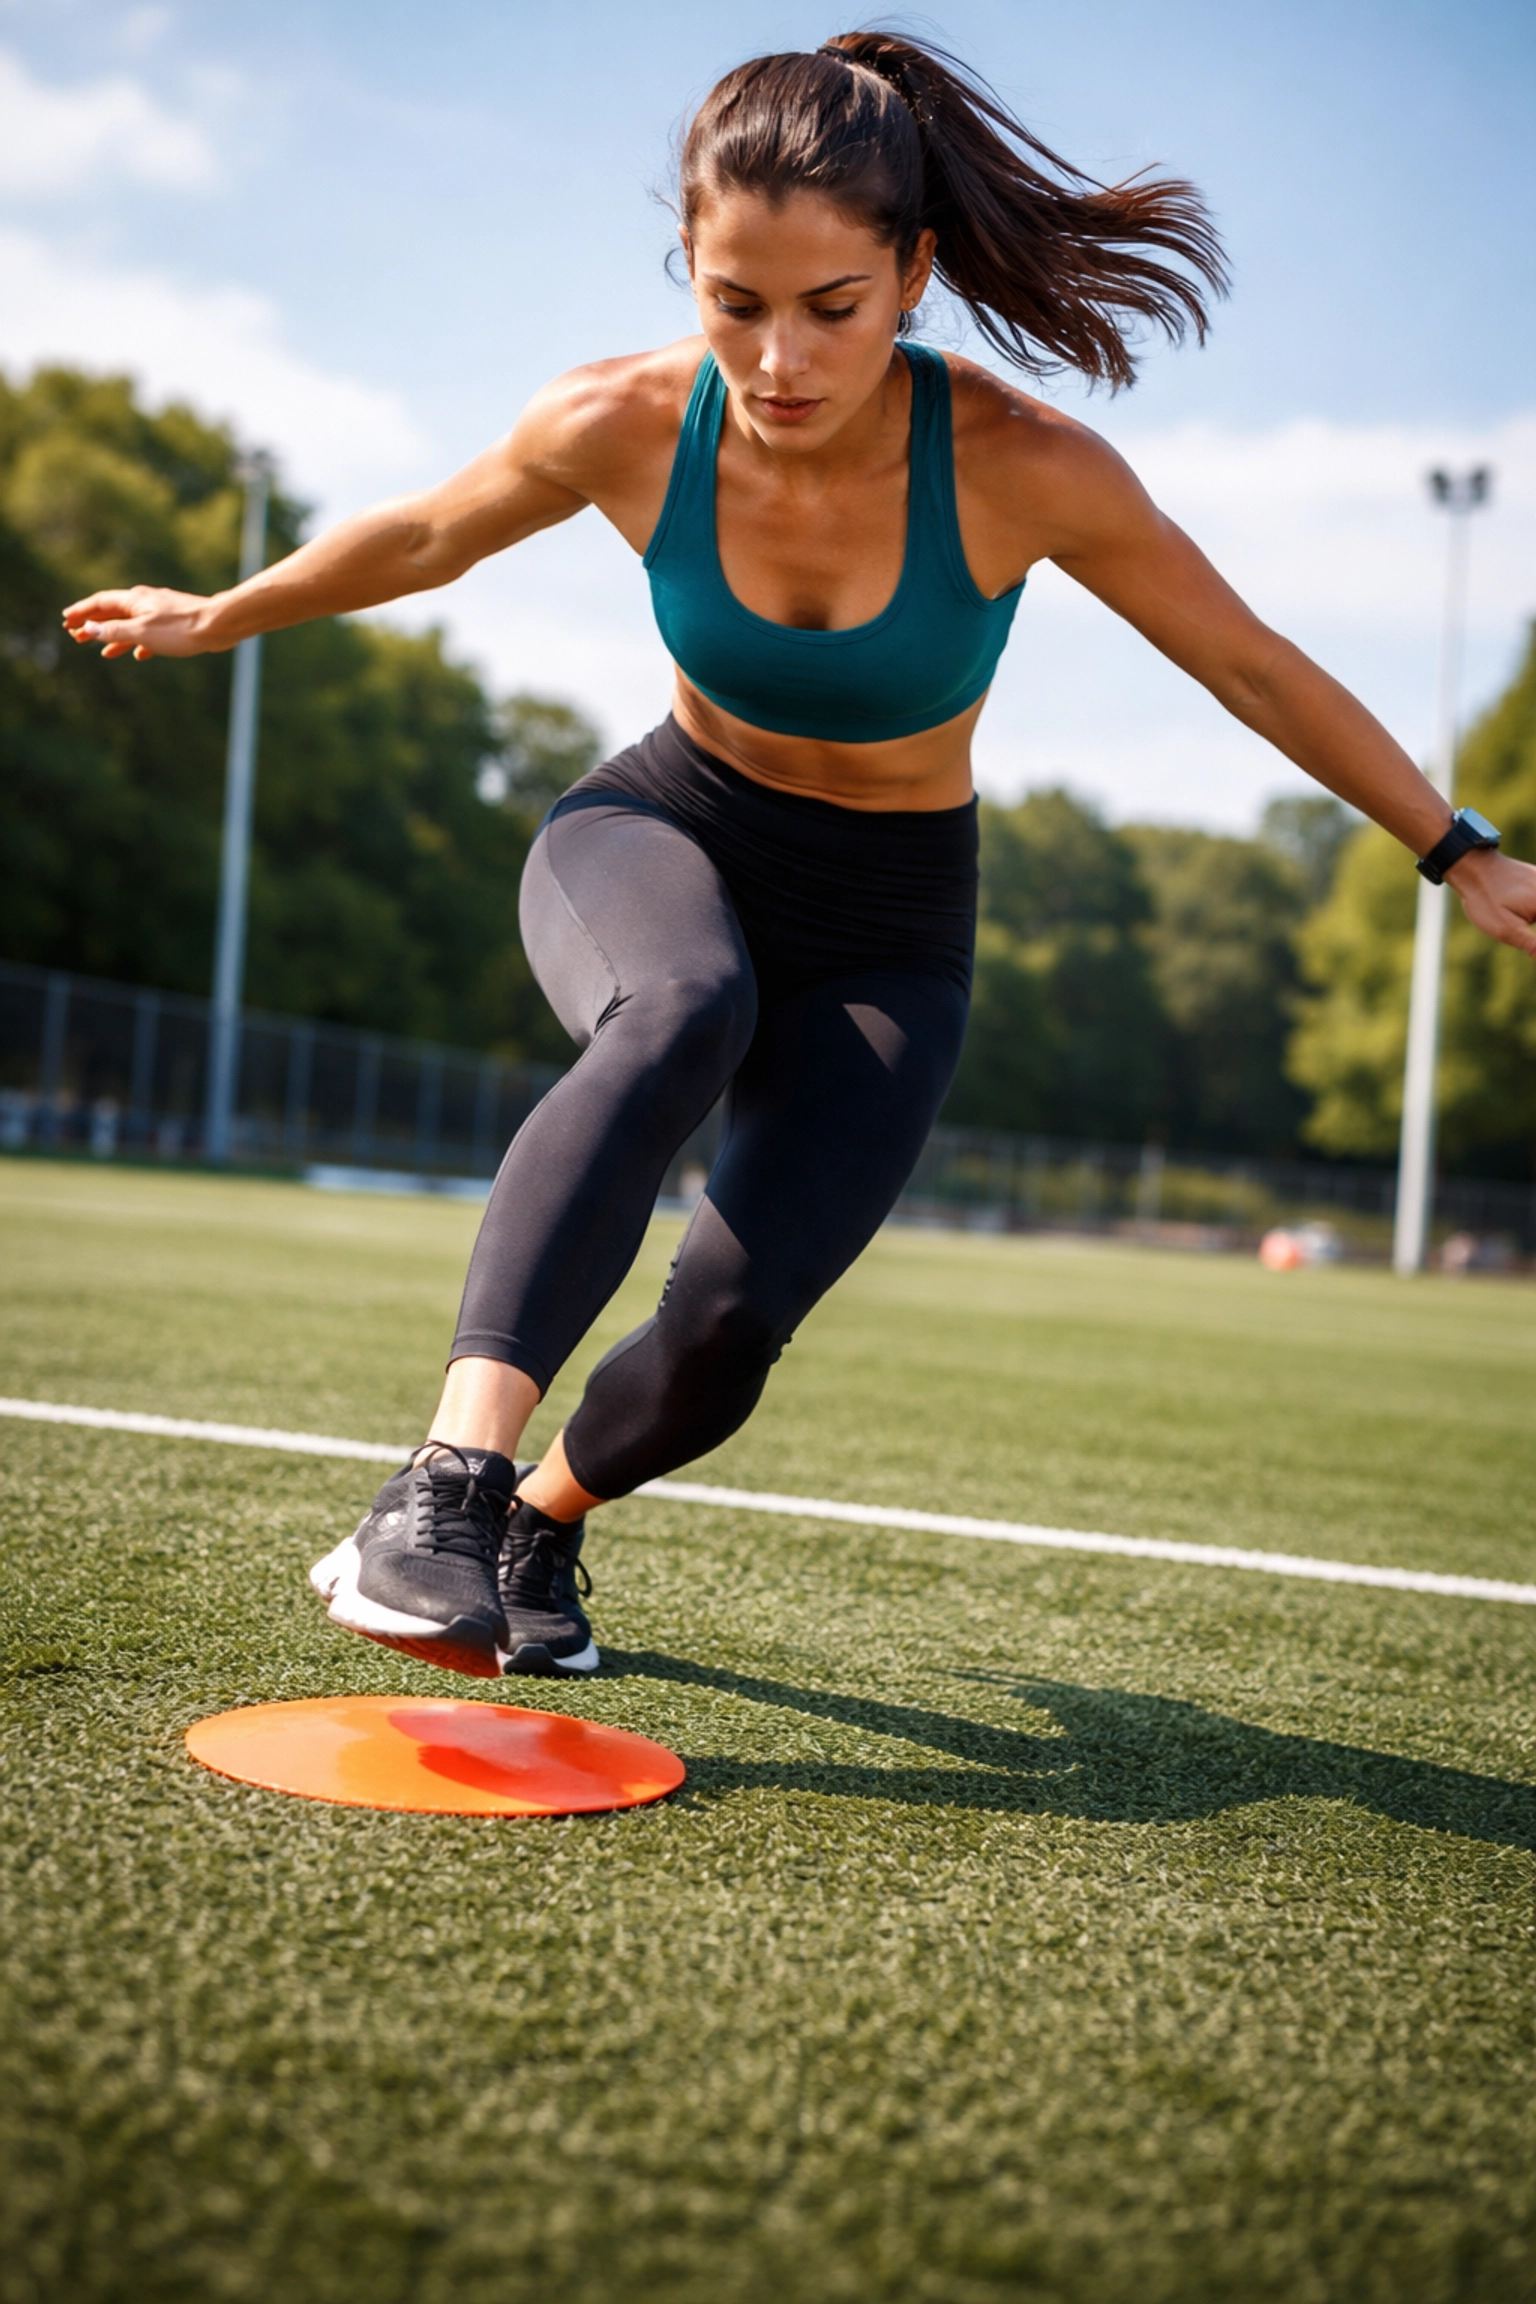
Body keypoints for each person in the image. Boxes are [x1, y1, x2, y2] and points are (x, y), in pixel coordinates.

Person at [65, 35, 1536, 1682]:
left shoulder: (1021, 464)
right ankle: (448, 1484)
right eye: (732, 302)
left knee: (725, 1331)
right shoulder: (621, 421)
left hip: (892, 918)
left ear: (913, 272)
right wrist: (224, 610)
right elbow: (423, 533)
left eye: (829, 307)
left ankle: (543, 1520)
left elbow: (1251, 664)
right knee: (679, 1004)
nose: (776, 357)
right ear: (687, 272)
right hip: (662, 830)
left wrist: (1453, 845)